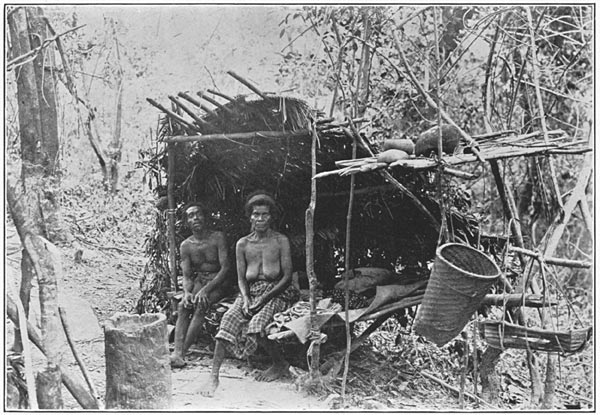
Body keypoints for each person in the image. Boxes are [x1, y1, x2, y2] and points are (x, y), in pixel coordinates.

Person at [201, 191, 298, 397]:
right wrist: (245, 299)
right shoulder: (243, 244)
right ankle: (214, 377)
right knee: (228, 319)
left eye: (264, 214)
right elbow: (241, 279)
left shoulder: (281, 241)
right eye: (256, 214)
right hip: (251, 293)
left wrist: (264, 299)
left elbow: (287, 276)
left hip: (277, 292)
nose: (260, 219)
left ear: (271, 217)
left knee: (256, 325)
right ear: (250, 217)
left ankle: (279, 364)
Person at [170, 202, 231, 368]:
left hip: (219, 281)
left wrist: (206, 290)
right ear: (186, 222)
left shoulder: (217, 238)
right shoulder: (186, 246)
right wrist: (187, 292)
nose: (195, 218)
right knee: (184, 305)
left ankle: (182, 354)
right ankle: (176, 351)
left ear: (205, 217)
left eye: (198, 214)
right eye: (190, 216)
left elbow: (225, 268)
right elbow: (188, 276)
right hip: (200, 280)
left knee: (200, 305)